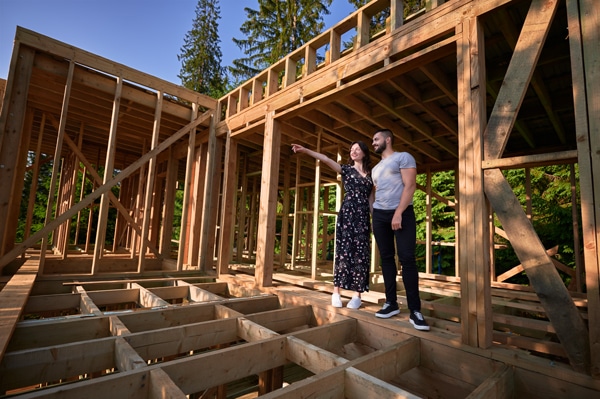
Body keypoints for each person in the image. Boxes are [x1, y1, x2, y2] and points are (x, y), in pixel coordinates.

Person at [291, 142, 373, 309]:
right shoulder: (346, 170)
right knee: (343, 251)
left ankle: (357, 295)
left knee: (361, 254)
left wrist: (377, 219)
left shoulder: (372, 175)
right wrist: (306, 150)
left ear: (364, 153)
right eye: (351, 149)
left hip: (363, 217)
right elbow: (326, 159)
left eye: (357, 149)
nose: (353, 152)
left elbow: (371, 201)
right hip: (348, 215)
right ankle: (336, 291)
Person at [370, 129, 430, 331]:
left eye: (376, 139)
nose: (373, 143)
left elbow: (410, 185)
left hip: (401, 213)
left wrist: (398, 213)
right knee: (386, 258)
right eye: (372, 140)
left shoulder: (403, 157)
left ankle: (415, 310)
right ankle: (391, 303)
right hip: (380, 215)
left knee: (407, 258)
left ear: (388, 139)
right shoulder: (376, 168)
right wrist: (374, 215)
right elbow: (376, 193)